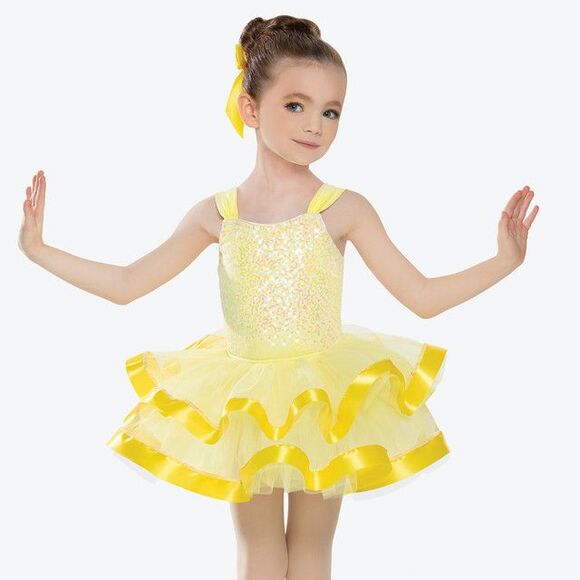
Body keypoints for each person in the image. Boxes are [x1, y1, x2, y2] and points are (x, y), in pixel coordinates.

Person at [17, 14, 539, 580]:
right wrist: (39, 250)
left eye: (331, 111)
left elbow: (422, 296)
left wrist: (503, 262)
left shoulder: (344, 208)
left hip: (324, 399)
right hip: (243, 400)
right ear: (250, 108)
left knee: (311, 552)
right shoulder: (216, 214)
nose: (315, 125)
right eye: (296, 105)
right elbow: (127, 284)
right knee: (260, 554)